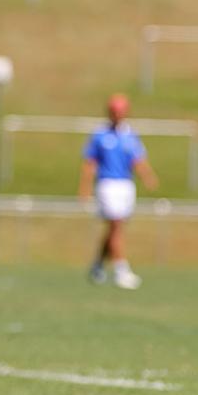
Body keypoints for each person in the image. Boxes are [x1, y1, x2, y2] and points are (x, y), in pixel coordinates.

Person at [79, 94, 159, 290]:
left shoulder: (130, 135)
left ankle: (98, 264)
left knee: (116, 228)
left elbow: (137, 160)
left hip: (126, 185)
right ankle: (121, 270)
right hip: (107, 184)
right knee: (116, 225)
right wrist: (85, 187)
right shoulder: (99, 135)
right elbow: (90, 163)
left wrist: (148, 176)